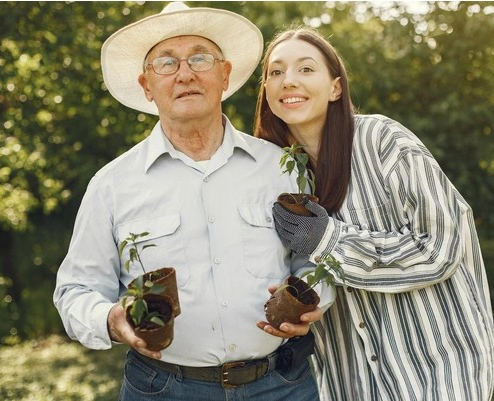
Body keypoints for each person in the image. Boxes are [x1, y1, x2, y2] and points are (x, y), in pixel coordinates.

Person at [54, 4, 328, 400]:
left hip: (281, 385)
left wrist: (314, 298)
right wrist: (111, 319)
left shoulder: (281, 167)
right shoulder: (111, 185)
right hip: (163, 389)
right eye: (166, 63)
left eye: (200, 58)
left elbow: (315, 255)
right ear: (147, 86)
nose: (185, 73)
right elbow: (76, 290)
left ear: (224, 74)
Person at [254, 27, 494, 401]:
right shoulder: (279, 175)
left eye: (305, 69)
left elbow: (441, 247)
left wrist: (329, 241)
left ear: (336, 88)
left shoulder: (383, 141)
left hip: (435, 372)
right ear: (267, 92)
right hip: (351, 380)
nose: (288, 80)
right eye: (275, 72)